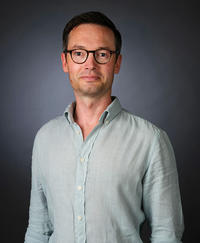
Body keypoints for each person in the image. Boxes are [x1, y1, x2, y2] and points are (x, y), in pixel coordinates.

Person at [24, 11, 184, 243]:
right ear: (65, 62)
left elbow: (167, 234)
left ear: (117, 62)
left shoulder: (151, 140)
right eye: (79, 53)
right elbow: (39, 231)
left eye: (102, 54)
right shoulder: (45, 138)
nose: (90, 63)